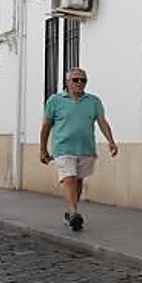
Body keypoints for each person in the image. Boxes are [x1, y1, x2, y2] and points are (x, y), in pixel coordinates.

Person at [40, 67, 117, 231]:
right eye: (75, 80)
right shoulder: (55, 101)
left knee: (78, 180)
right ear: (67, 82)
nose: (79, 83)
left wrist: (111, 141)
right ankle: (75, 214)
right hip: (62, 147)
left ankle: (70, 212)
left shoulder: (93, 101)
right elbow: (46, 126)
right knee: (69, 178)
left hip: (85, 148)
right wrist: (43, 149)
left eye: (83, 80)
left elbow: (102, 121)